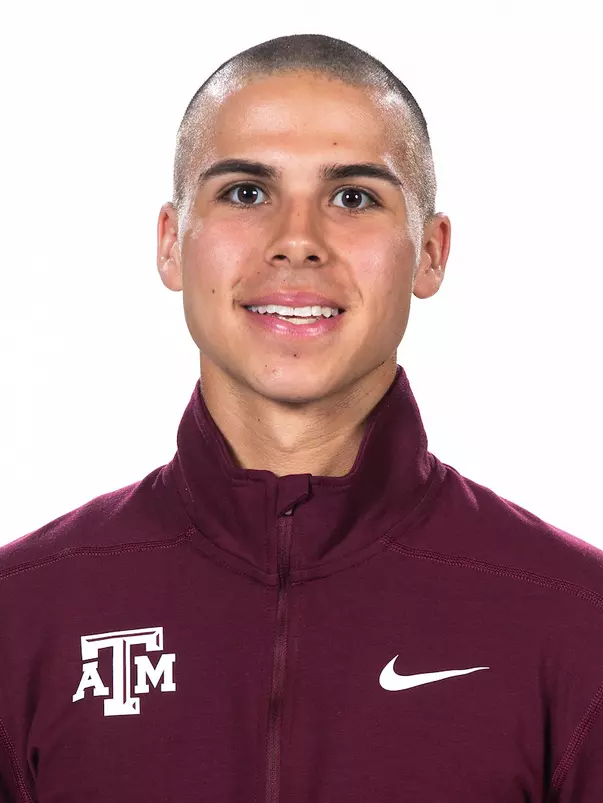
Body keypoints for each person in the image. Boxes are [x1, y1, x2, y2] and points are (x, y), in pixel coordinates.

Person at [0, 32, 601, 803]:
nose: (296, 242)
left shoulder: (576, 622)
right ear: (171, 244)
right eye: (246, 192)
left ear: (429, 253)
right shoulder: (23, 619)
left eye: (353, 196)